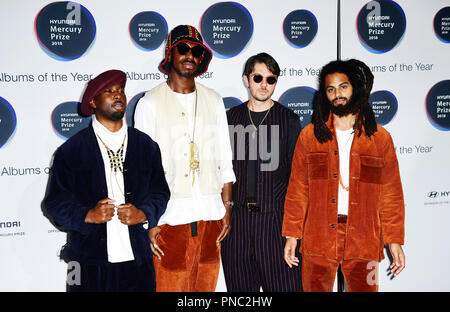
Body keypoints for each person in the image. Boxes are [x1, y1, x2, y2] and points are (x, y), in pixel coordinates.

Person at [282, 59, 405, 292]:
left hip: (364, 240)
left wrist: (394, 241)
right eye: (330, 89)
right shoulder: (310, 136)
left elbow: (391, 194)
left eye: (343, 86)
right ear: (324, 95)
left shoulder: (380, 139)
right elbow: (298, 188)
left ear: (354, 88)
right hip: (318, 237)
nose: (337, 93)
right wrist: (291, 234)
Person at [44, 69, 170, 292]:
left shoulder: (146, 145)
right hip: (86, 263)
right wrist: (87, 215)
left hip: (138, 262)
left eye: (121, 90)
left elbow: (160, 191)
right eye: (109, 91)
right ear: (93, 101)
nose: (118, 95)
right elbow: (54, 204)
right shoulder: (71, 151)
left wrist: (144, 213)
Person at [134, 25, 235, 292]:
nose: (189, 55)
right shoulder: (149, 103)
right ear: (170, 54)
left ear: (202, 58)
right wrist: (150, 220)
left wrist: (227, 208)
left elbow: (225, 158)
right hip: (170, 217)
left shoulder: (214, 100)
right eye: (183, 48)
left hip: (211, 216)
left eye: (196, 51)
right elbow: (142, 169)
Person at [222, 53, 302, 291]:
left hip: (276, 224)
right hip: (238, 227)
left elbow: (298, 180)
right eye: (258, 77)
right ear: (247, 79)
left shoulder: (288, 119)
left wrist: (293, 233)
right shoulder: (230, 118)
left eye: (271, 79)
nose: (264, 84)